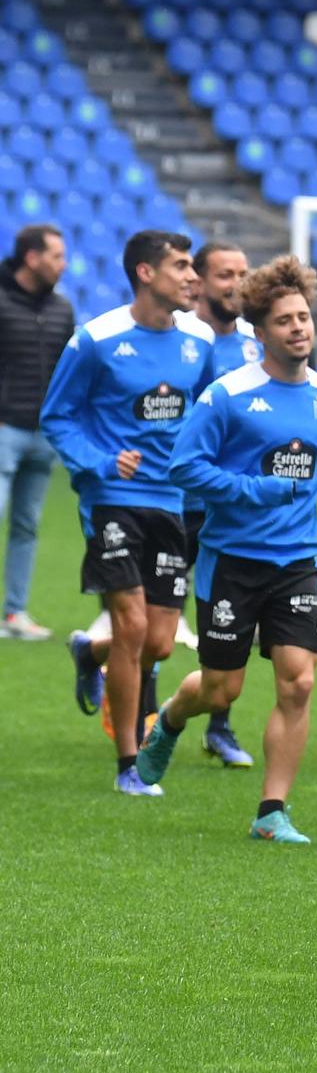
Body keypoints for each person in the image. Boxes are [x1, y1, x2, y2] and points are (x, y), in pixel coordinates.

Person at [135, 257, 317, 841]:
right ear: (260, 331)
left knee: (299, 680)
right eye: (285, 320)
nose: (299, 328)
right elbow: (184, 466)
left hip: (297, 564)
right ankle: (168, 720)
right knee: (222, 688)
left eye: (304, 317)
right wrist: (255, 489)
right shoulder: (227, 396)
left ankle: (271, 812)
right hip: (231, 562)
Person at [40, 231, 214, 795]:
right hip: (111, 500)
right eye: (182, 267)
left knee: (158, 644)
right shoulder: (95, 339)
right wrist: (102, 461)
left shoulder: (199, 341)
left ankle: (88, 652)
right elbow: (58, 416)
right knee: (133, 627)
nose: (193, 277)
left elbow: (211, 416)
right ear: (145, 273)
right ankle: (128, 766)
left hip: (173, 503)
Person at [172, 241, 259, 758]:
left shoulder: (256, 342)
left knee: (230, 614)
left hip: (232, 507)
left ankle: (219, 725)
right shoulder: (180, 341)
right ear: (199, 282)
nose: (237, 285)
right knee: (161, 618)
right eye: (225, 275)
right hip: (177, 499)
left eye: (244, 274)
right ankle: (140, 708)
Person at [0, 224, 73, 641]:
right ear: (32, 258)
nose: (63, 264)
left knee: (27, 525)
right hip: (5, 430)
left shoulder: (62, 309)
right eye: (56, 256)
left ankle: (15, 614)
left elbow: (68, 372)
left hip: (43, 435)